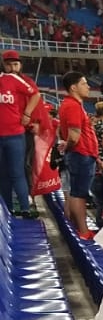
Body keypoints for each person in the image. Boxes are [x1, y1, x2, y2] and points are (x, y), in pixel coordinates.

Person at [58, 69, 99, 239]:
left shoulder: (70, 105)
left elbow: (63, 131)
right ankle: (82, 231)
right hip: (81, 154)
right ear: (74, 87)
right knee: (79, 194)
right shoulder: (73, 106)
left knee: (77, 192)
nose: (88, 86)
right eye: (84, 83)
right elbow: (74, 136)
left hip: (80, 154)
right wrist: (68, 146)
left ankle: (79, 229)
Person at [0, 49, 41, 216]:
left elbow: (35, 94)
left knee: (17, 173)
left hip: (15, 135)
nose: (11, 66)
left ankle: (25, 208)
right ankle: (7, 211)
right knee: (2, 175)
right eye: (8, 63)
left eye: (14, 63)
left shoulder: (12, 80)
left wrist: (27, 114)